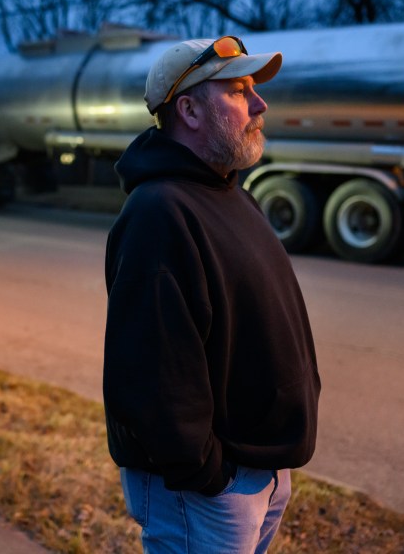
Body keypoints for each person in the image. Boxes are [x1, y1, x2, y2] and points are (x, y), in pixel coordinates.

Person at [103, 35, 321, 553]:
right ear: (190, 110)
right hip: (205, 489)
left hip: (259, 468)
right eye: (240, 90)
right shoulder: (159, 212)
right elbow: (153, 370)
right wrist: (207, 473)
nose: (260, 103)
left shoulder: (228, 194)